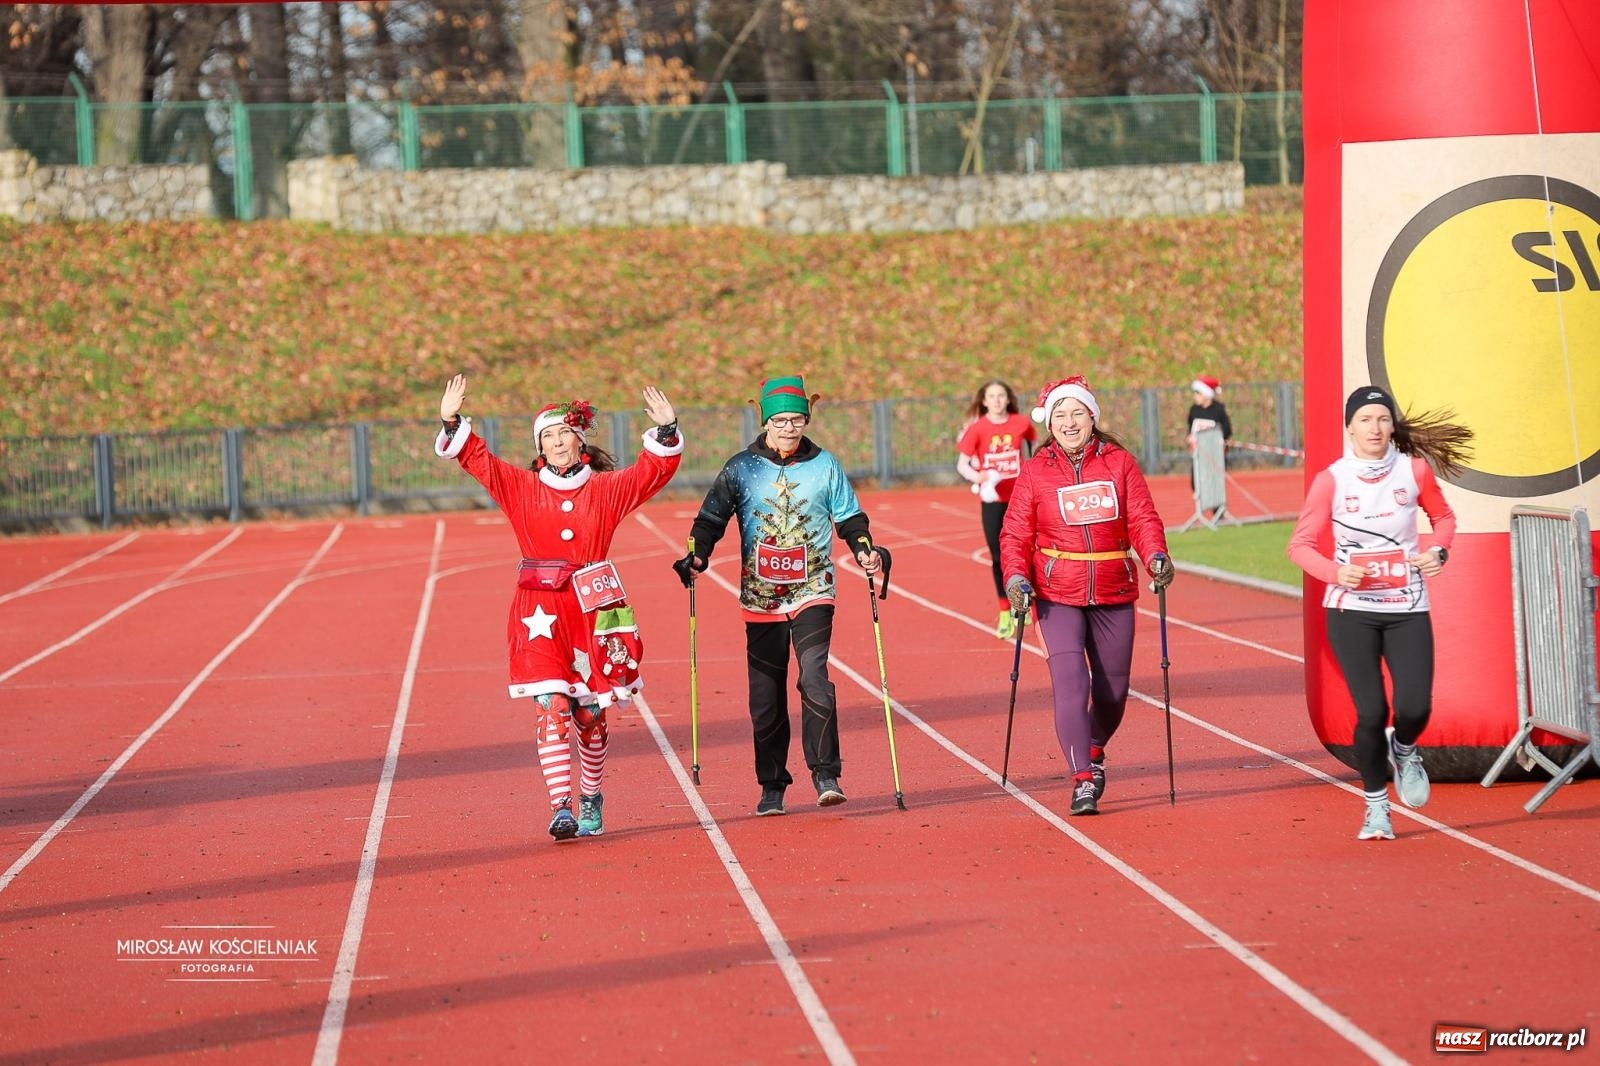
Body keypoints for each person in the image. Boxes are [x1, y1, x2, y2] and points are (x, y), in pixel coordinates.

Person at [435, 373, 684, 841]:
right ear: (539, 447)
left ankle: (591, 794)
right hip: (539, 611)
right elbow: (478, 460)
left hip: (593, 609)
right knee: (550, 704)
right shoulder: (521, 488)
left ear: (580, 440)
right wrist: (451, 421)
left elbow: (652, 472)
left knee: (590, 715)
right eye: (546, 437)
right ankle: (561, 806)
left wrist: (667, 431)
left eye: (563, 433)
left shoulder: (607, 490)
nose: (556, 443)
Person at [673, 375, 884, 817]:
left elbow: (850, 519)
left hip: (814, 590)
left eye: (798, 419)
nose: (789, 428)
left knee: (814, 678)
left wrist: (865, 550)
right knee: (765, 698)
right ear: (766, 421)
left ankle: (826, 774)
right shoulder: (740, 467)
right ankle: (773, 785)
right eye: (781, 420)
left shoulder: (825, 465)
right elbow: (709, 520)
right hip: (761, 597)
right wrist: (696, 557)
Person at [1287, 385, 1471, 842]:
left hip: (1407, 606)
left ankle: (1405, 749)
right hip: (1352, 612)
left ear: (1392, 425)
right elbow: (1299, 547)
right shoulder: (1332, 480)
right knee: (1371, 712)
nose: (1375, 427)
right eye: (1366, 419)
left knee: (1415, 706)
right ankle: (1375, 808)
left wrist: (1439, 552)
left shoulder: (1414, 472)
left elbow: (1444, 520)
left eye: (1382, 419)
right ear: (1349, 426)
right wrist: (1335, 572)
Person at [999, 376, 1174, 816]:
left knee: (1114, 693)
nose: (1069, 421)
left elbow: (1143, 518)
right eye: (1060, 414)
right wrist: (1016, 578)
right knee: (1071, 685)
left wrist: (1155, 555)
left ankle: (1094, 747)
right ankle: (1082, 779)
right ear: (1049, 423)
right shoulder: (1036, 470)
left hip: (1114, 587)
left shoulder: (1120, 463)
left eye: (1077, 412)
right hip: (1057, 593)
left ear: (1092, 416)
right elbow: (1016, 532)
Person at [956, 380, 1037, 640]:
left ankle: (1023, 601)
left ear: (1008, 399)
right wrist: (979, 477)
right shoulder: (977, 429)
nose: (997, 400)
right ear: (984, 401)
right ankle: (1005, 609)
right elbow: (962, 465)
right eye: (992, 396)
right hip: (992, 500)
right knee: (998, 556)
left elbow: (1033, 452)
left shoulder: (1022, 423)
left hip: (1020, 498)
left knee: (1027, 549)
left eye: (1001, 395)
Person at [1185, 375, 1233, 508]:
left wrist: (1218, 439)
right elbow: (1190, 427)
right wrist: (1189, 437)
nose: (1195, 396)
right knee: (1196, 481)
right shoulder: (1194, 410)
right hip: (1199, 454)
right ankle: (1202, 506)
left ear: (1206, 394)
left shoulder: (1218, 409)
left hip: (1215, 454)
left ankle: (1218, 512)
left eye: (1198, 393)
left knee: (1216, 482)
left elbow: (1227, 429)